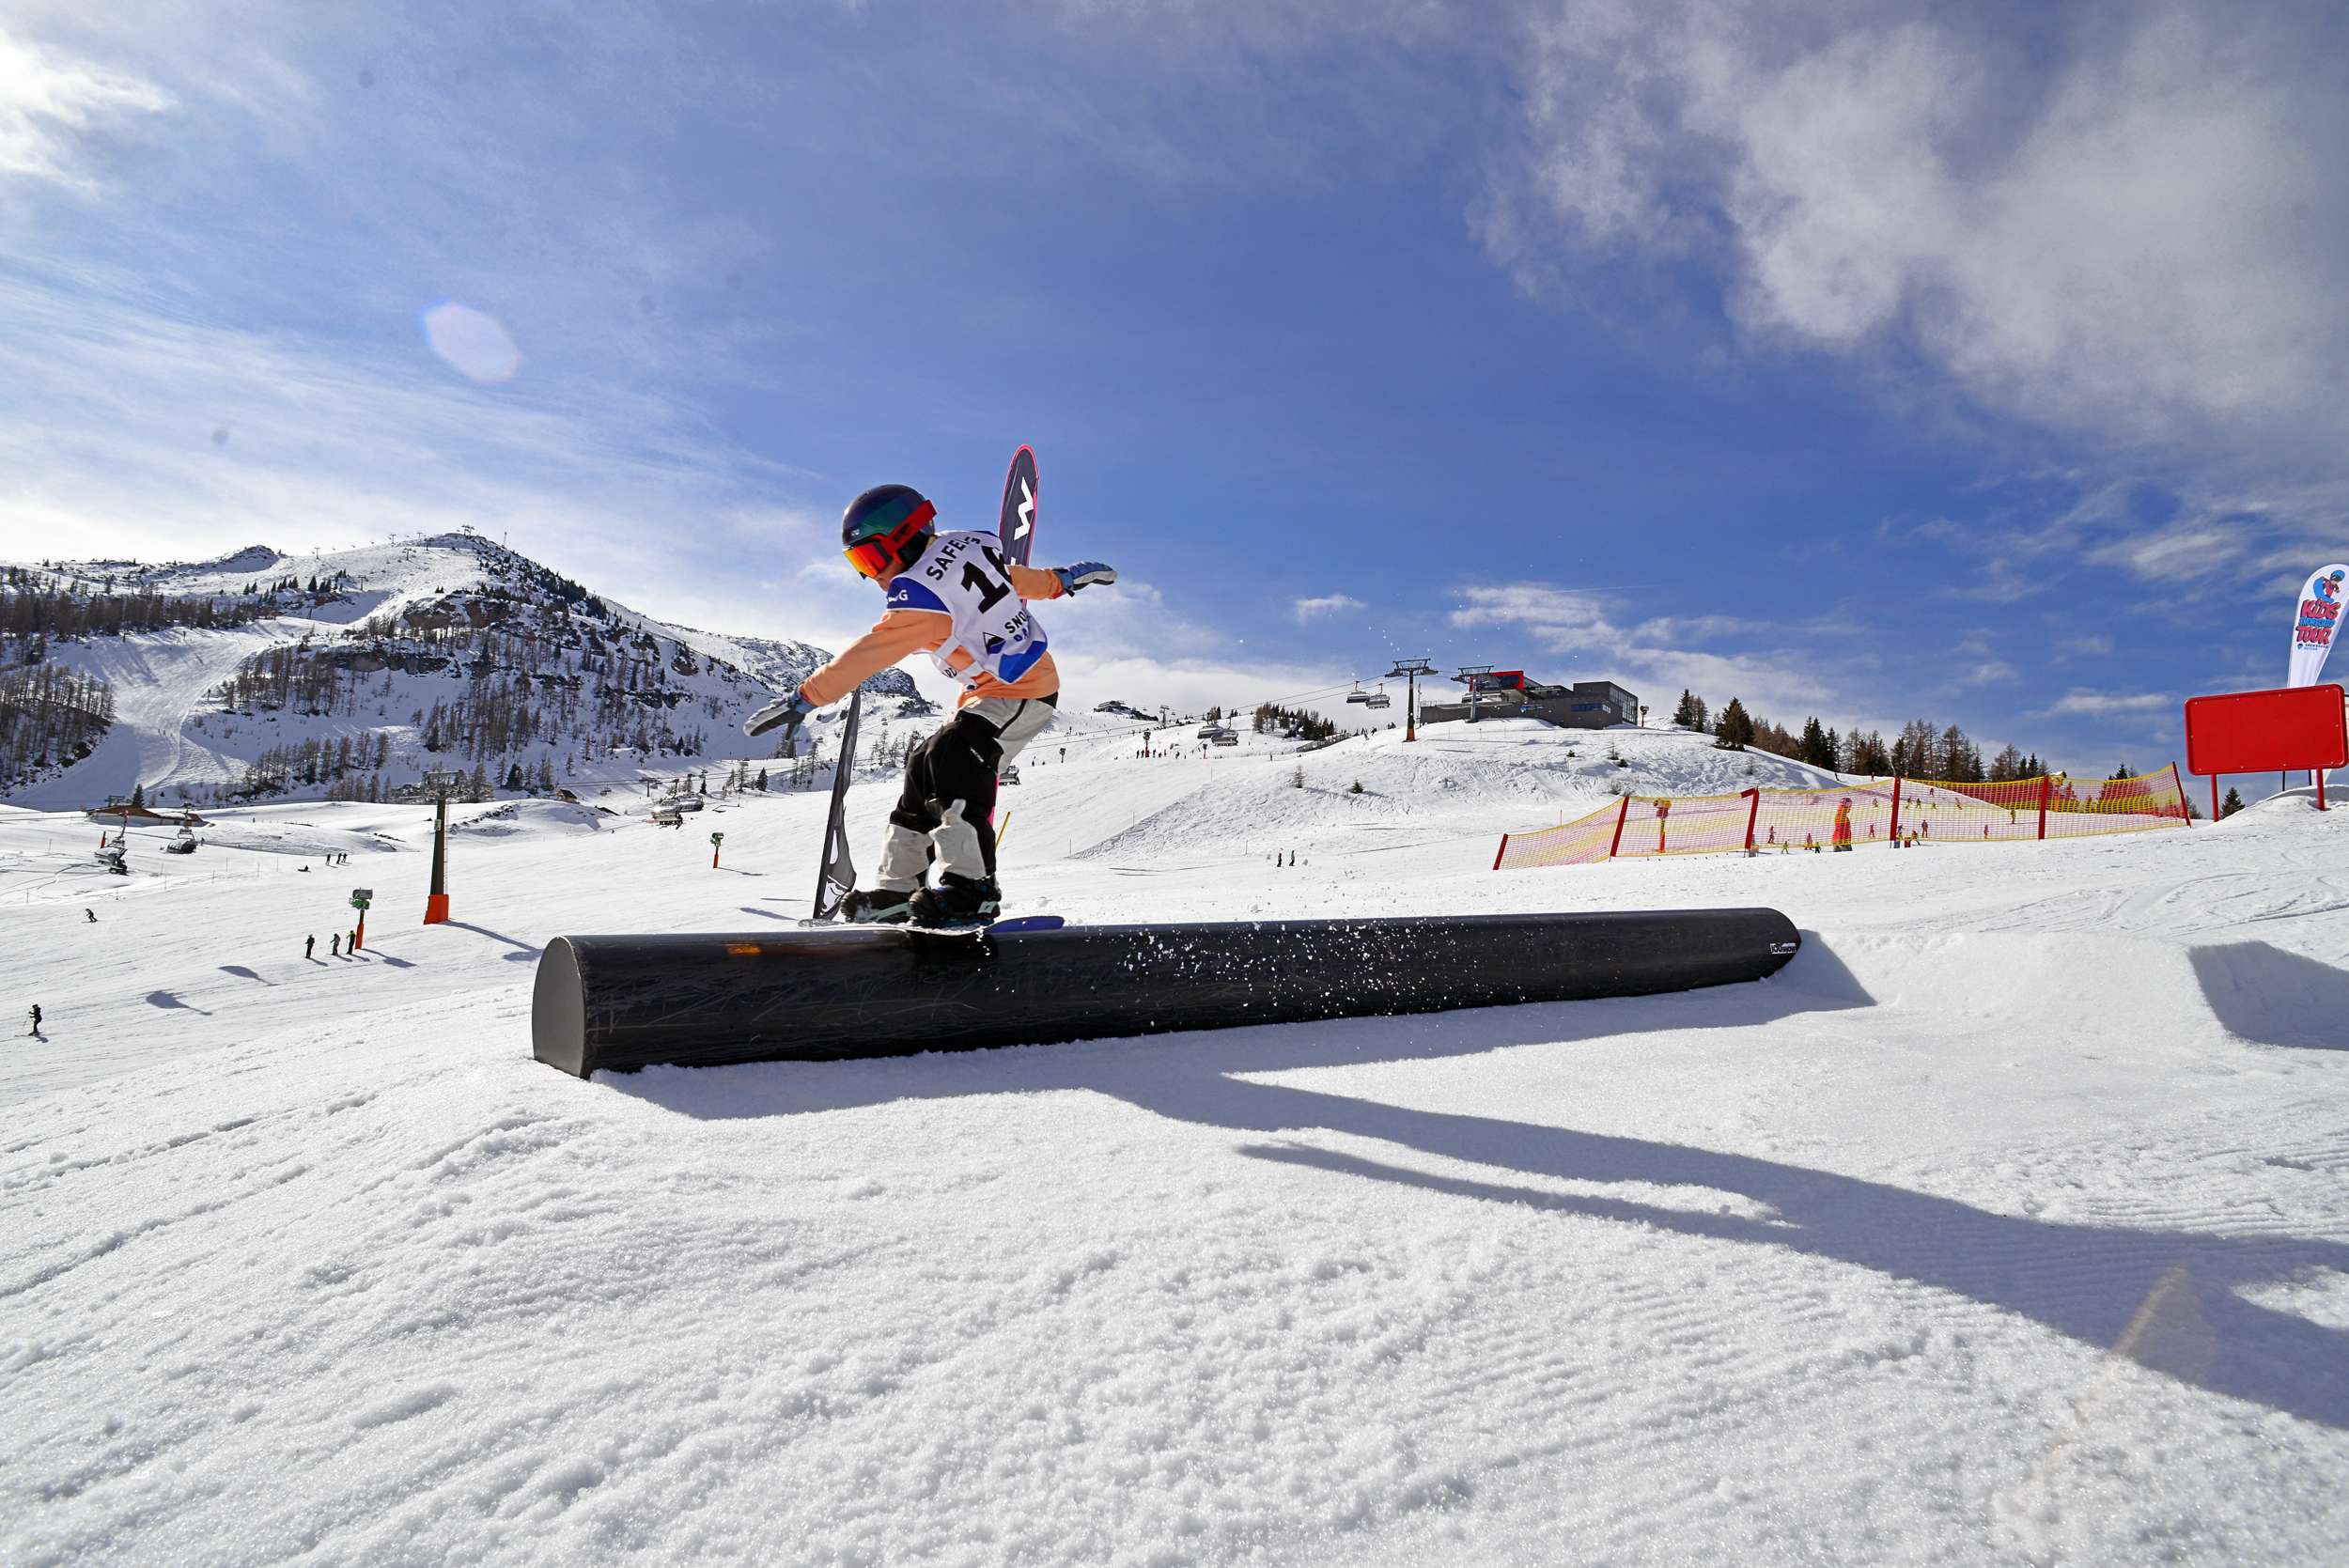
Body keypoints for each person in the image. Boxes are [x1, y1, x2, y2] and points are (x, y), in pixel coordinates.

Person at [746, 483, 1116, 928]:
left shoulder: (918, 599)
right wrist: (1062, 580)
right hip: (988, 692)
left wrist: (806, 698)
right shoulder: (965, 550)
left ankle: (972, 890)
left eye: (872, 559)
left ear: (905, 538)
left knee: (954, 757)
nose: (870, 576)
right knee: (923, 764)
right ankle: (899, 889)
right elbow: (1013, 579)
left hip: (1024, 692)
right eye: (858, 564)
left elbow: (867, 653)